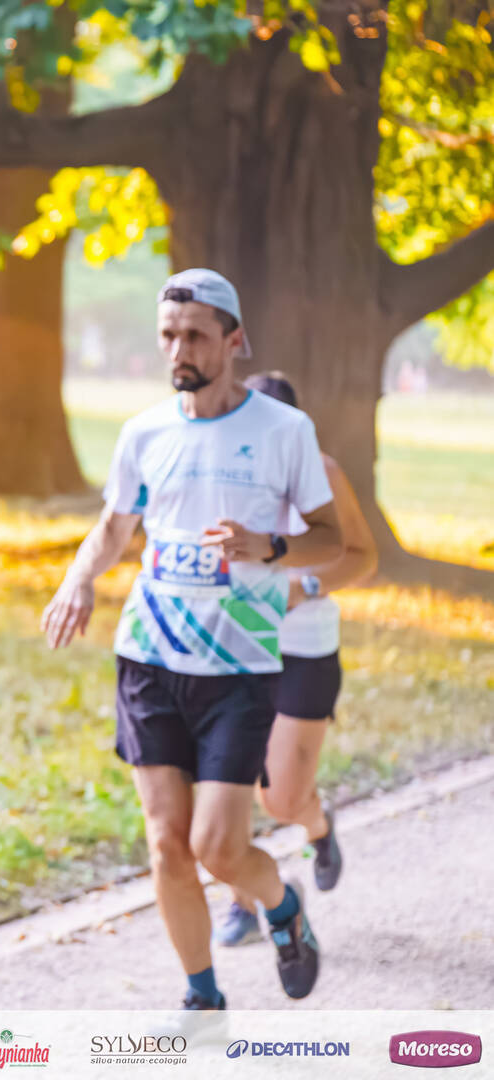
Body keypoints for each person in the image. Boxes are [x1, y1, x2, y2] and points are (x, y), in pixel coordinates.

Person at [41, 269, 344, 1010]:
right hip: (149, 657)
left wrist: (270, 547)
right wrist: (79, 578)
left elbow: (332, 539)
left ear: (234, 341)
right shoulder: (145, 431)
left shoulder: (284, 431)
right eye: (169, 335)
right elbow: (114, 526)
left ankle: (282, 906)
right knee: (167, 844)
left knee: (218, 847)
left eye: (197, 336)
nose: (180, 350)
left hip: (240, 666)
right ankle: (202, 996)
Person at [212, 371, 378, 946]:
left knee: (280, 797)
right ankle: (243, 903)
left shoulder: (321, 474)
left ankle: (317, 826)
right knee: (228, 783)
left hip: (304, 649)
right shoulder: (219, 469)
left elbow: (362, 558)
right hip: (234, 646)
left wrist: (302, 587)